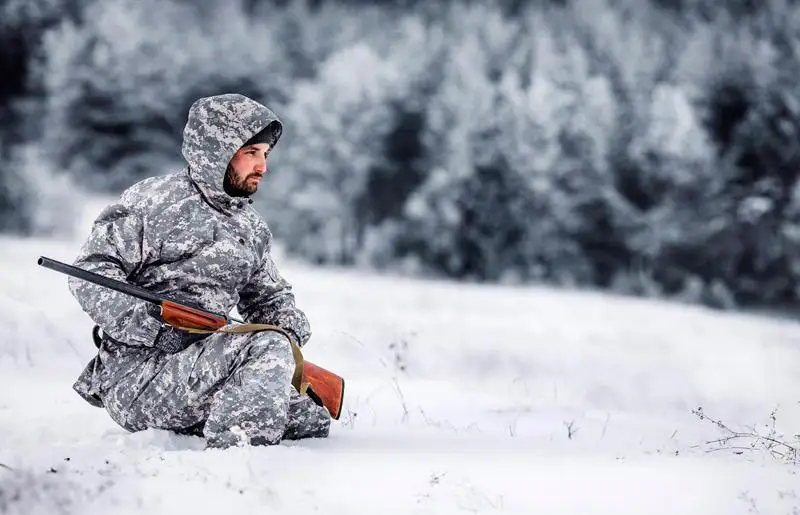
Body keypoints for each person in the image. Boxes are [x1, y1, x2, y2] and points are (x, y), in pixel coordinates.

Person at [67, 93, 331, 449]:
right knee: (266, 358)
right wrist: (152, 328)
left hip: (202, 370)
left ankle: (231, 425)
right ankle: (237, 460)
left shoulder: (250, 227)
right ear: (217, 151)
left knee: (312, 415)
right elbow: (91, 270)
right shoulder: (153, 201)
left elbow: (270, 300)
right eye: (251, 153)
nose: (262, 167)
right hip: (137, 376)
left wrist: (289, 333)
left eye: (265, 155)